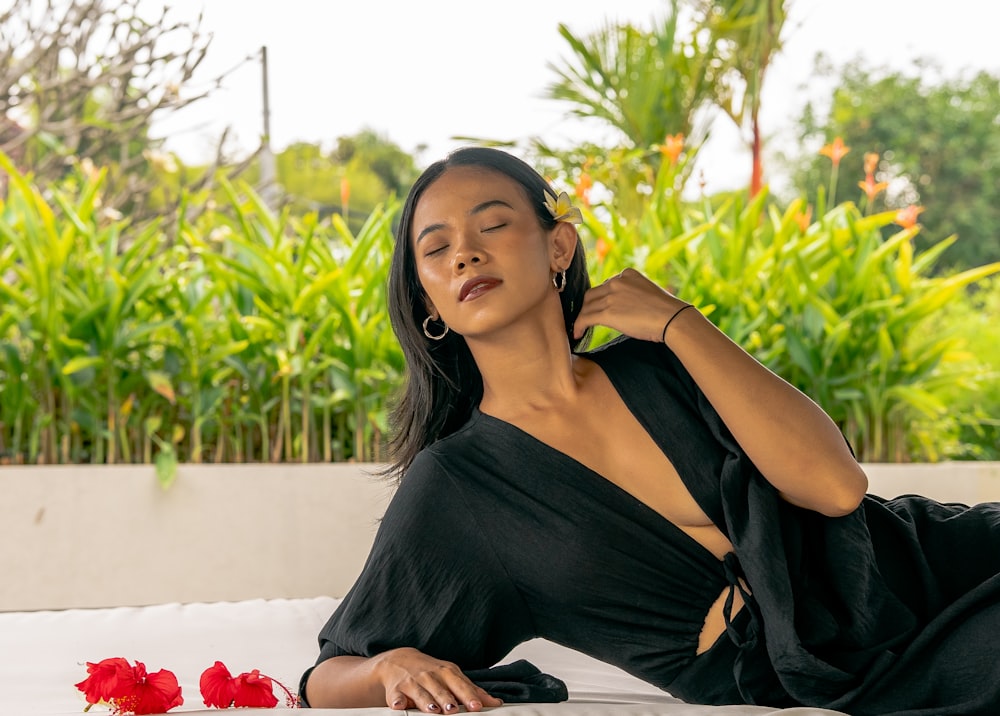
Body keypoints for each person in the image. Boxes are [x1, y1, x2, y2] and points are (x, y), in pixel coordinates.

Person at [299, 146, 1000, 714]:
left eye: (492, 225)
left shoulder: (658, 365)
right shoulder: (459, 485)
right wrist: (391, 664)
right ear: (429, 300)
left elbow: (838, 487)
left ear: (558, 248)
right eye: (436, 248)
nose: (464, 254)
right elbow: (329, 674)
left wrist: (680, 323)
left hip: (919, 564)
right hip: (824, 672)